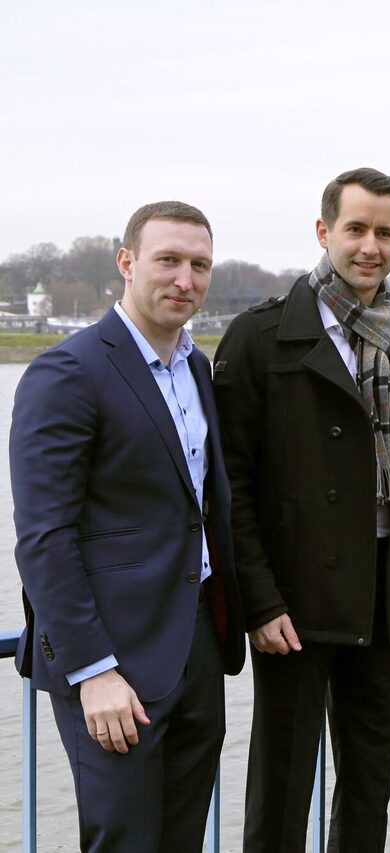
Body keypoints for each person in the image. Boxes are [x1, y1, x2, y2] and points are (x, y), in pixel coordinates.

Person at [213, 167, 390, 852]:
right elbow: (229, 487)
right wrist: (259, 601)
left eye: (385, 233)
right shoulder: (259, 338)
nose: (370, 246)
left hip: (386, 596)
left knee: (370, 786)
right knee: (282, 789)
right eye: (356, 229)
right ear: (324, 232)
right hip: (295, 602)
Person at [11, 201, 245, 851]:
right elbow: (44, 537)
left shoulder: (196, 368)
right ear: (127, 262)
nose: (185, 280)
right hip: (114, 661)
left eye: (200, 265)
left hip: (196, 644)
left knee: (181, 839)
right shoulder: (68, 371)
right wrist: (93, 670)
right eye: (168, 260)